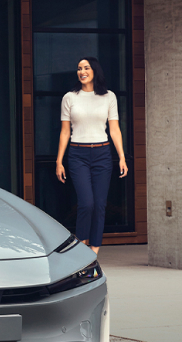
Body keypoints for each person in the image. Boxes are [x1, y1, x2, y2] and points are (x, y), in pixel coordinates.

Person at [54, 57, 128, 254]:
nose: (82, 71)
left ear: (95, 70)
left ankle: (94, 251)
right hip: (78, 154)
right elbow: (65, 132)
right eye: (79, 68)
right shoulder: (69, 97)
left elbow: (114, 130)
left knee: (100, 205)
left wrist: (121, 156)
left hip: (102, 153)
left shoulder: (108, 97)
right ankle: (81, 246)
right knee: (86, 203)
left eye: (86, 68)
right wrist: (59, 161)